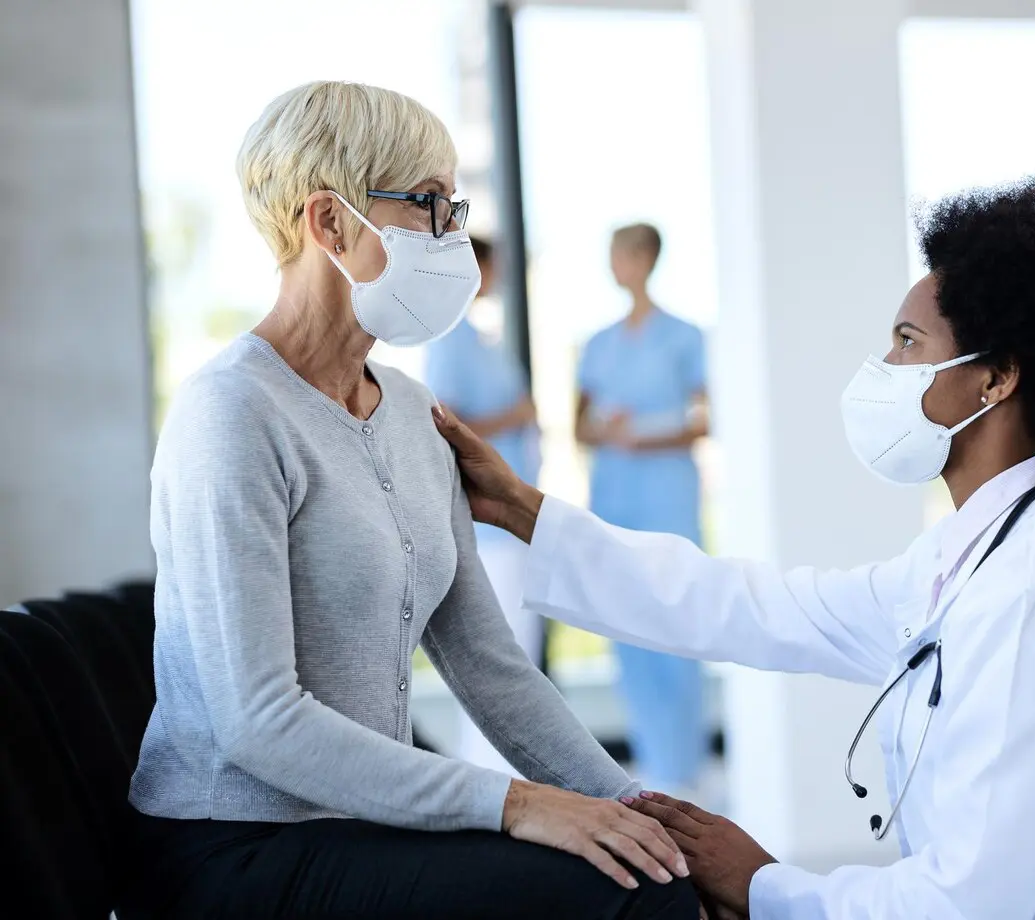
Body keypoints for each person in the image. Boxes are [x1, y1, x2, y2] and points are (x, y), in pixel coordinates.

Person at [434, 180, 1035, 919]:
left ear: (996, 379)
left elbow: (966, 901)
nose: (881, 366)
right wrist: (525, 509)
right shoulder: (979, 552)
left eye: (908, 344)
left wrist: (764, 883)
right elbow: (758, 606)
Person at [121, 81, 694, 920]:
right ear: (330, 223)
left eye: (452, 208)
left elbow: (491, 667)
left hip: (364, 826)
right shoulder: (231, 414)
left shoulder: (411, 411)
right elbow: (258, 722)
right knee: (627, 901)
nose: (451, 236)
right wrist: (524, 804)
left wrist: (641, 811)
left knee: (659, 872)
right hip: (234, 846)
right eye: (428, 204)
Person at [575, 223, 710, 798]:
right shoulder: (598, 344)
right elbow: (581, 424)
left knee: (675, 620)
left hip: (667, 496)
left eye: (623, 255)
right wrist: (608, 431)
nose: (616, 266)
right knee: (625, 626)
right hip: (614, 498)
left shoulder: (685, 337)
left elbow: (705, 419)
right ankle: (650, 768)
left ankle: (685, 766)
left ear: (648, 259)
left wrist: (645, 435)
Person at [425, 235, 545, 776]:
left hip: (514, 523)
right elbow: (445, 420)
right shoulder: (449, 341)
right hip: (489, 527)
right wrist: (515, 416)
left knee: (518, 655)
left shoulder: (480, 338)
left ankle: (513, 775)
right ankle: (495, 779)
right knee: (499, 660)